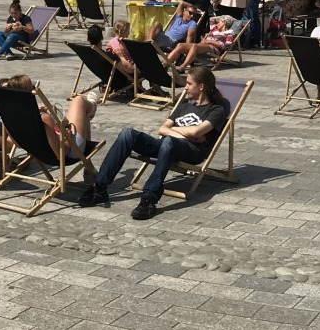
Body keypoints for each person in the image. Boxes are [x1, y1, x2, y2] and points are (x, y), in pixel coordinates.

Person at [77, 66, 230, 221]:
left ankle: (149, 199)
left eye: (189, 84)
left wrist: (181, 133)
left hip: (191, 151)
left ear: (201, 86)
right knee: (127, 133)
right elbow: (163, 129)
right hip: (166, 146)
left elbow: (196, 132)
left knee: (168, 141)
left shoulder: (216, 110)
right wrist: (184, 133)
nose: (185, 87)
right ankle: (100, 189)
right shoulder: (183, 105)